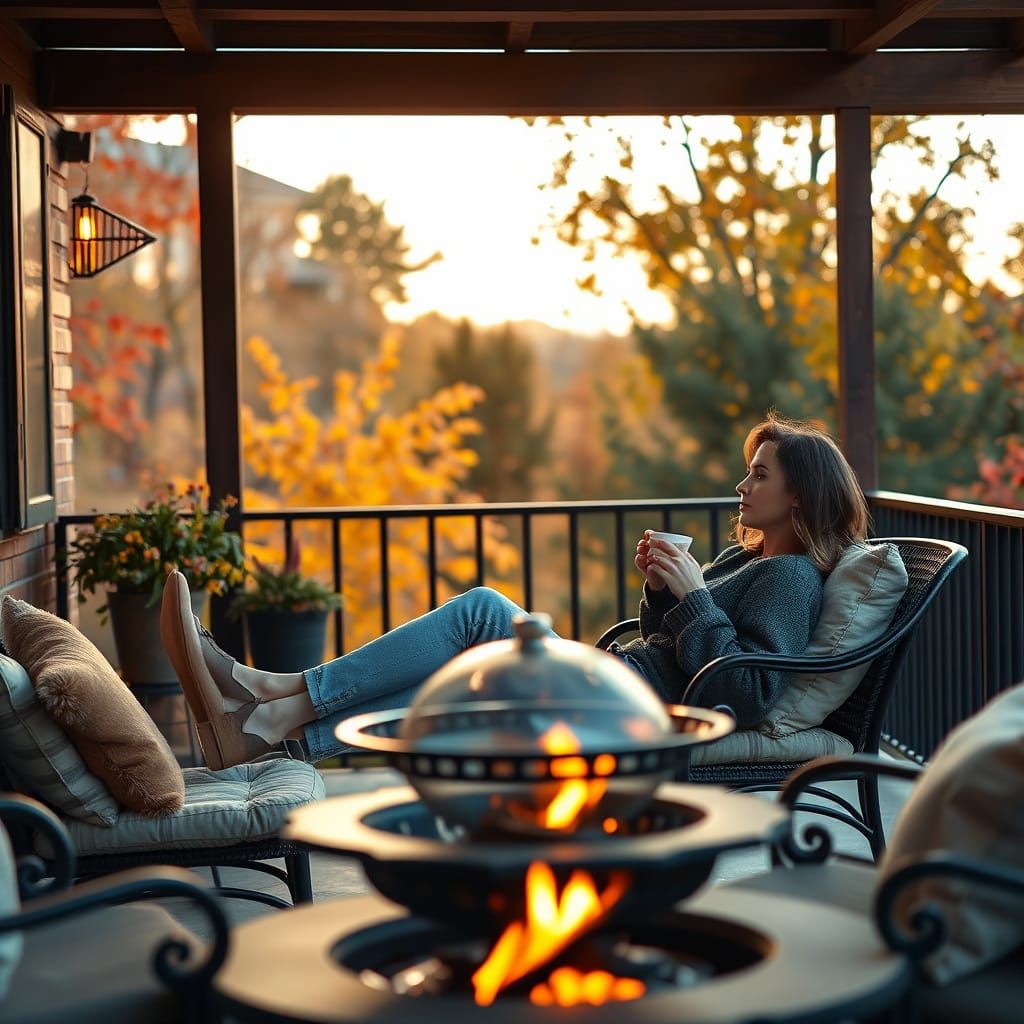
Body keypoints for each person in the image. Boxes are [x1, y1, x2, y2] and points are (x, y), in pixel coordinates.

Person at [161, 413, 868, 771]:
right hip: (617, 683)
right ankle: (265, 727)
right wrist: (663, 592)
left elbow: (745, 695)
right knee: (473, 659)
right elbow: (679, 646)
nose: (742, 487)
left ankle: (268, 694)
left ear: (799, 495)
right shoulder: (746, 559)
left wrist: (692, 600)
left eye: (760, 476)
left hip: (626, 706)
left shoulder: (790, 576)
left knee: (484, 611)